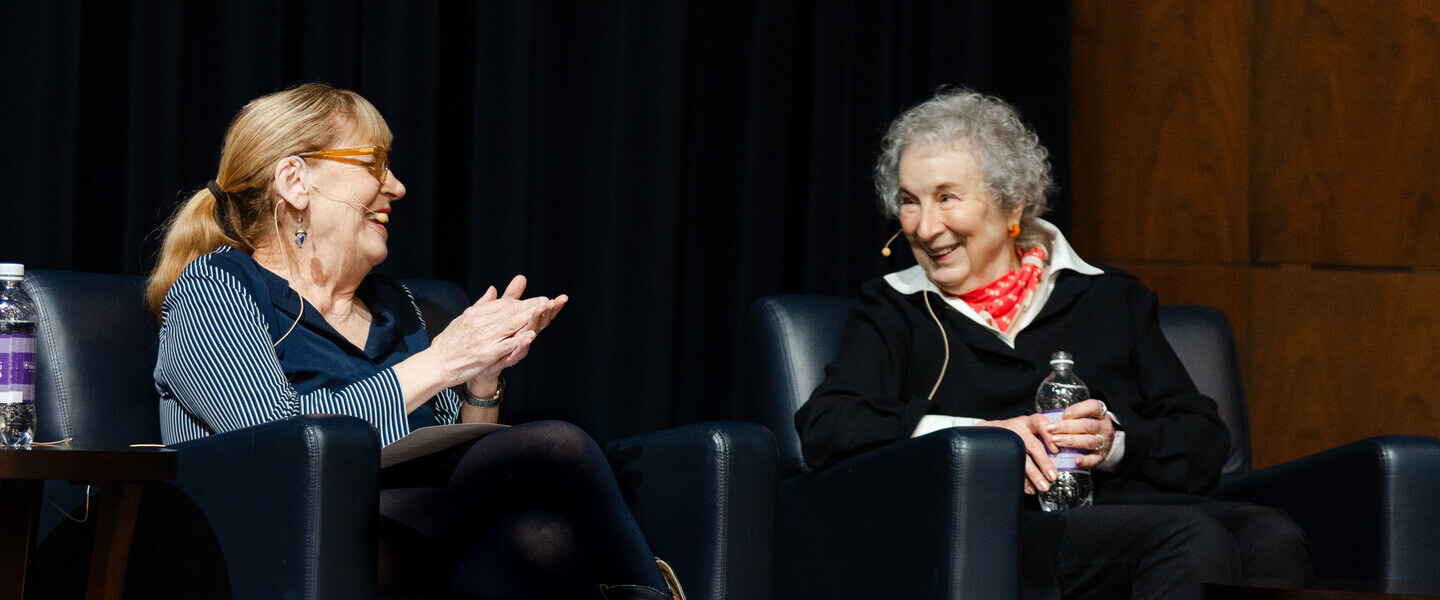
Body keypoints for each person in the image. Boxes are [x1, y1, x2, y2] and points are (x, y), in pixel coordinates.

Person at [147, 83, 684, 600]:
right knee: (559, 446)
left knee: (542, 541)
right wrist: (442, 360)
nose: (397, 187)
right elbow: (283, 447)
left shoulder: (394, 307)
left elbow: (454, 457)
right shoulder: (215, 286)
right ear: (295, 180)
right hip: (278, 540)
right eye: (374, 165)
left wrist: (480, 378)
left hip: (402, 538)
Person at [794, 88, 1312, 600]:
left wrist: (1112, 444)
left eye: (947, 198)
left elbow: (1201, 441)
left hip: (1120, 508)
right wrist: (987, 440)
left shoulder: (1109, 297)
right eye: (910, 201)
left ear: (1011, 202)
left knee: (1271, 538)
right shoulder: (896, 306)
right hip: (993, 532)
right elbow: (829, 424)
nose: (926, 228)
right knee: (1185, 537)